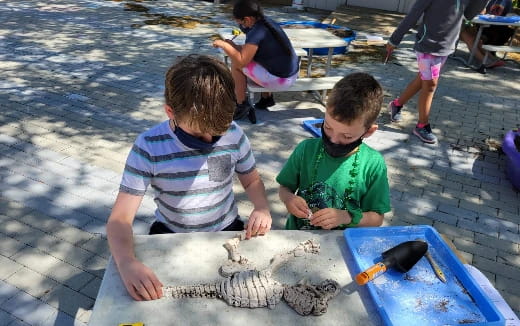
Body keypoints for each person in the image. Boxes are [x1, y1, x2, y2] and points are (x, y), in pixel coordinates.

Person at [106, 54, 272, 301]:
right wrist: (127, 262)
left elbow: (251, 179)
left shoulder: (234, 134)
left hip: (227, 230)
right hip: (170, 234)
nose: (209, 141)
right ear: (170, 111)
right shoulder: (149, 146)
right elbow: (119, 219)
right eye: (198, 132)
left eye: (218, 132)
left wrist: (262, 207)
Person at [276, 73, 391, 230]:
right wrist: (288, 199)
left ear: (369, 132)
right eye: (328, 127)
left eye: (347, 136)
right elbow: (284, 188)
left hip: (341, 246)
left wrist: (347, 216)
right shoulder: (306, 150)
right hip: (298, 236)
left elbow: (377, 218)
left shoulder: (373, 164)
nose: (334, 140)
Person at [386, 0, 488, 144]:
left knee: (423, 80)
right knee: (430, 85)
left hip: (445, 46)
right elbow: (413, 15)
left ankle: (396, 104)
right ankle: (422, 125)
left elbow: (469, 14)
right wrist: (394, 39)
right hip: (426, 45)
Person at [212, 0, 299, 124]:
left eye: (239, 22)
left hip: (281, 80)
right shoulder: (266, 22)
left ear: (247, 19)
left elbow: (242, 61)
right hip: (291, 73)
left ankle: (241, 105)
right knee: (251, 59)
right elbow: (250, 51)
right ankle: (266, 98)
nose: (240, 26)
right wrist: (232, 45)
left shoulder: (256, 32)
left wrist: (224, 45)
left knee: (236, 64)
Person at [459, 0, 515, 68]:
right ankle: (484, 61)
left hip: (465, 20)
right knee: (470, 38)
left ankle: (490, 57)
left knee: (477, 38)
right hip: (454, 21)